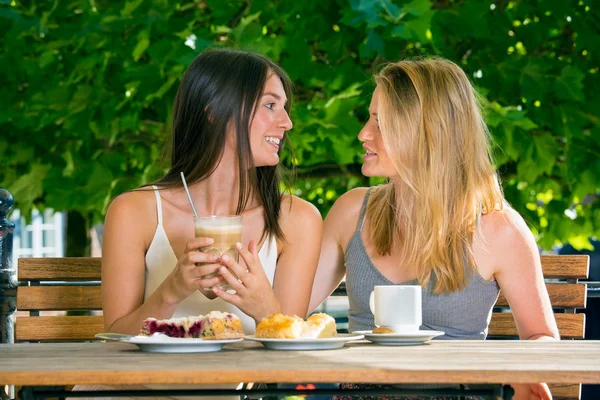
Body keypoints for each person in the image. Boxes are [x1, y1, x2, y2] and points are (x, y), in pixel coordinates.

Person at [309, 57, 559, 400]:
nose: (363, 133)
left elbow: (541, 338)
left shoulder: (499, 230)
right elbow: (289, 315)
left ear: (427, 132)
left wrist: (520, 369)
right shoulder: (352, 211)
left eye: (381, 123)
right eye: (370, 118)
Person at [102, 48, 322, 336]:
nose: (286, 122)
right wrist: (170, 292)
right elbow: (115, 342)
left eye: (284, 108)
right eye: (270, 105)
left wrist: (265, 307)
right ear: (215, 113)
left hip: (242, 382)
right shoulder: (132, 212)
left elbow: (291, 361)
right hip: (149, 382)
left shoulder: (298, 220)